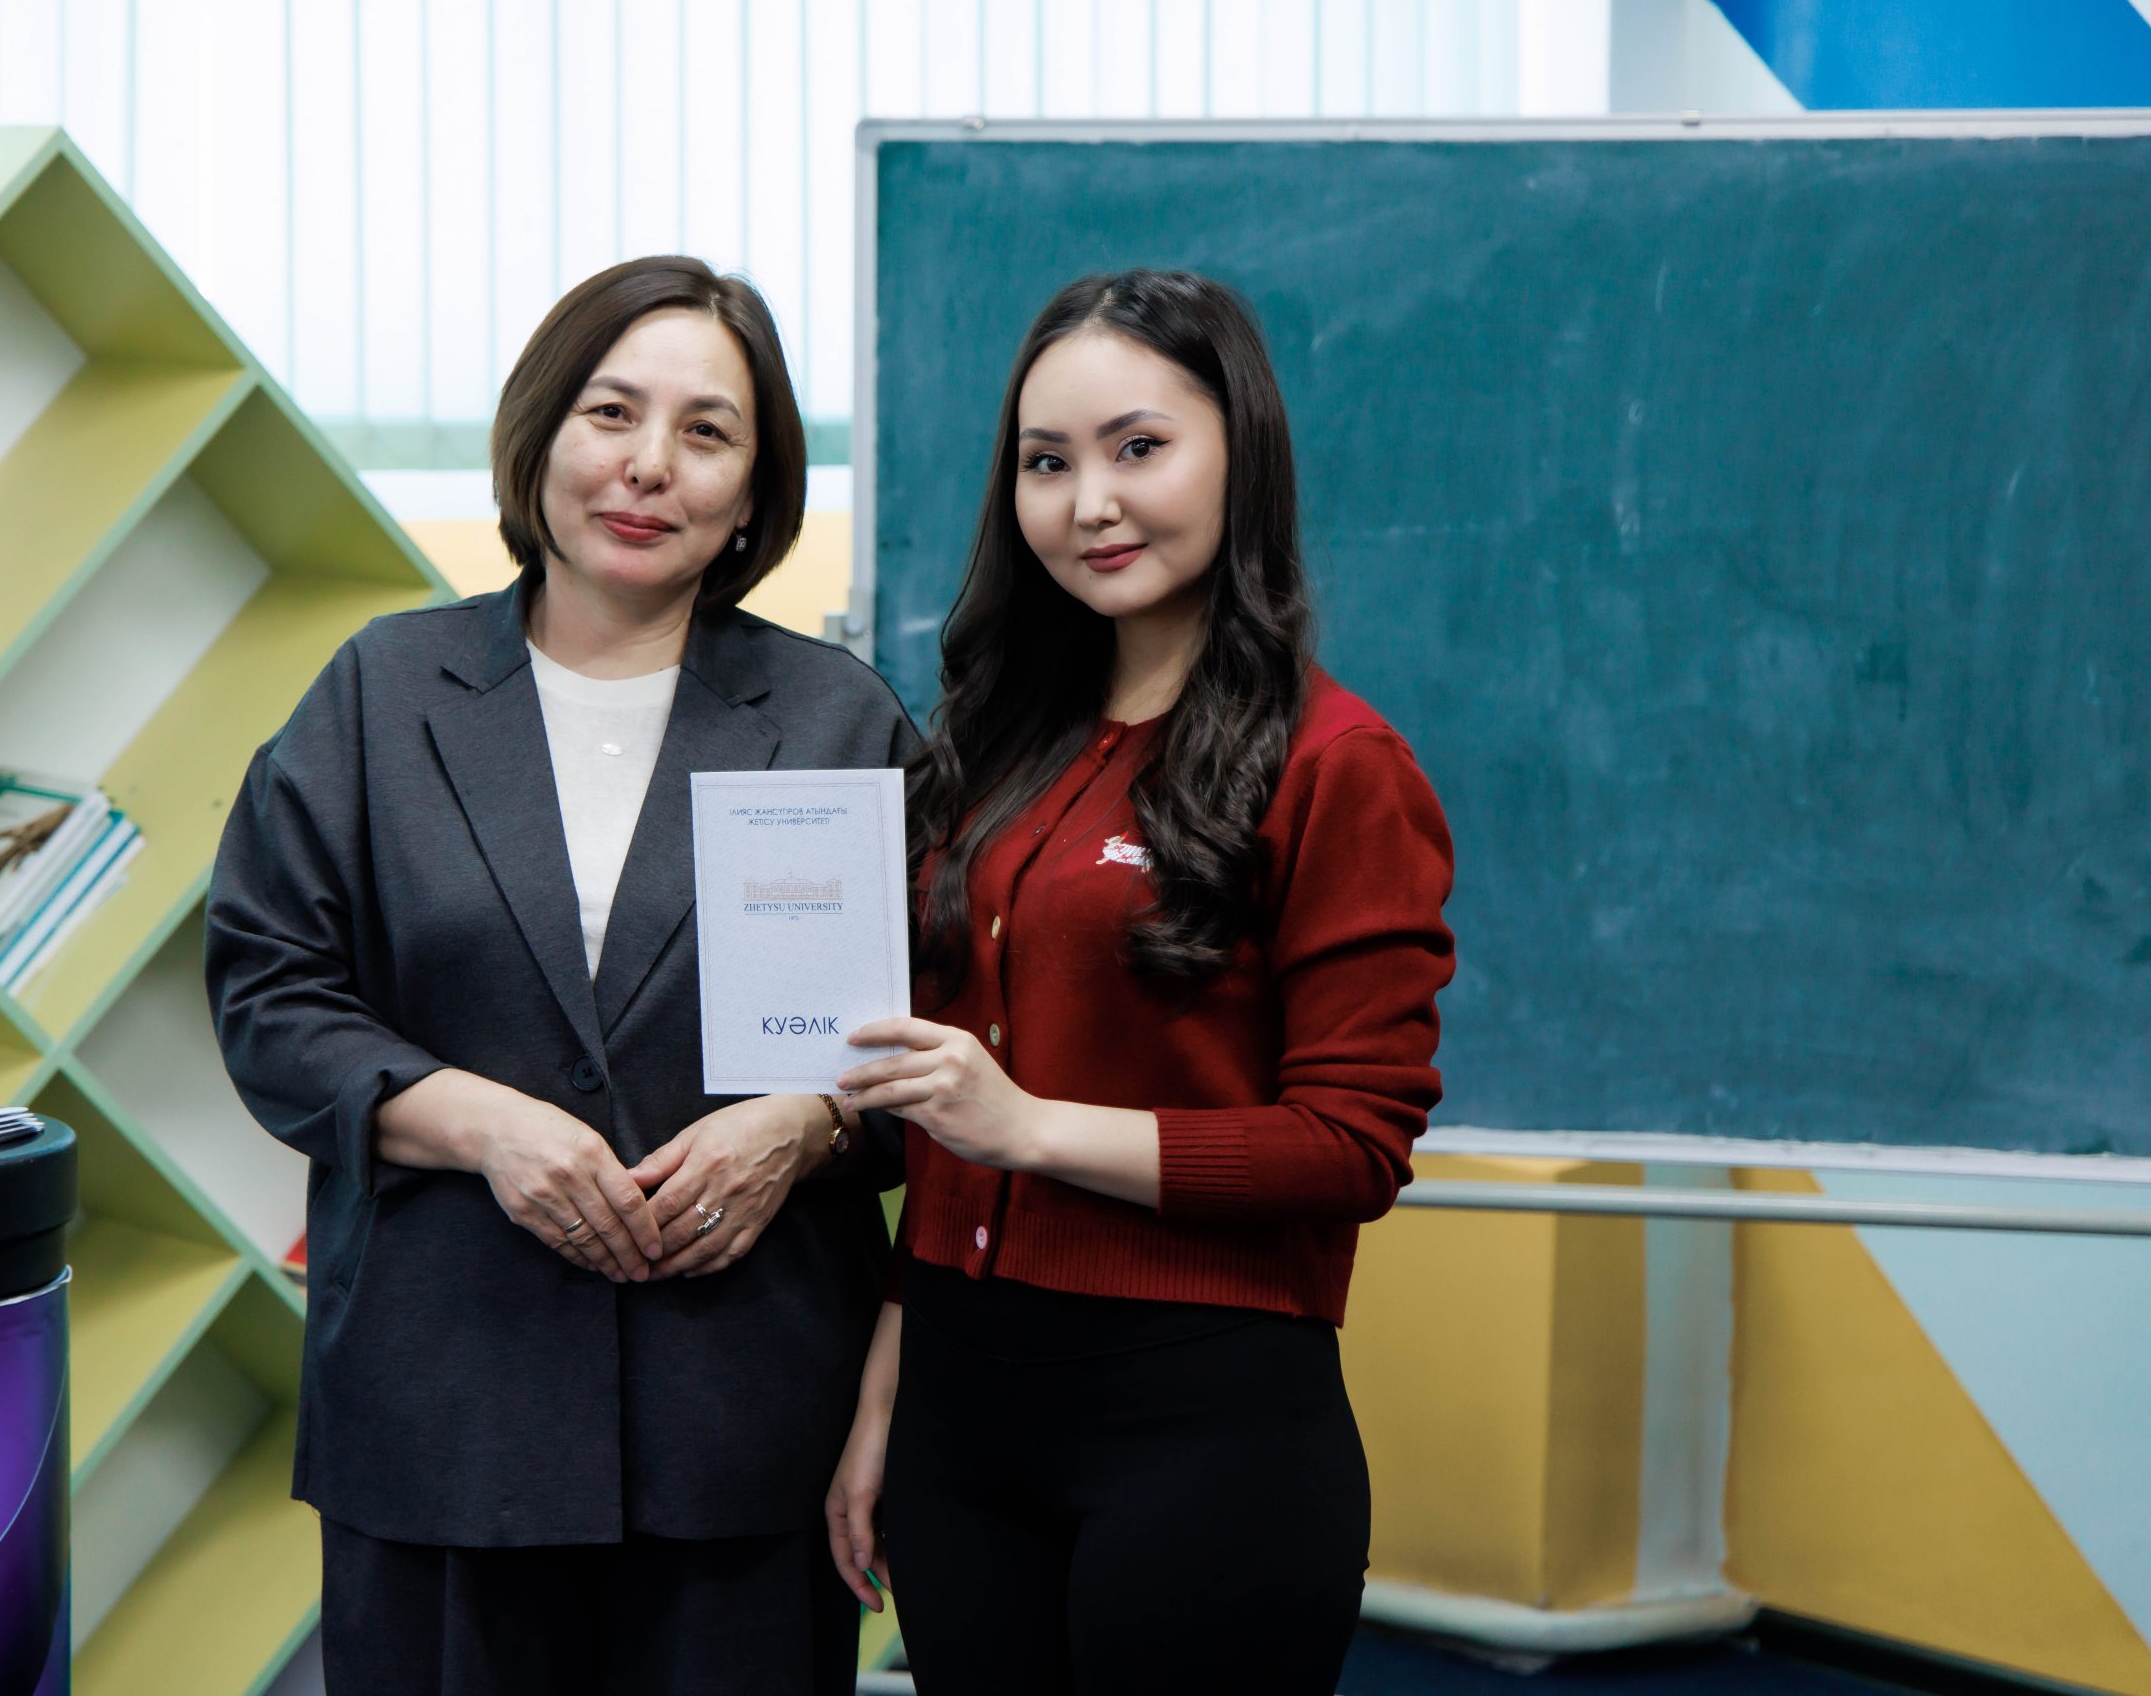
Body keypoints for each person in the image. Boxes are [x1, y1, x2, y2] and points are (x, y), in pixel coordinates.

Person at [207, 256, 914, 1696]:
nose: (649, 466)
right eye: (612, 412)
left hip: (745, 1417)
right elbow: (270, 997)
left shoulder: (838, 719)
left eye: (707, 432)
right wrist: (481, 1124)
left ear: (754, 490)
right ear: (541, 435)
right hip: (444, 1407)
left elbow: (937, 1047)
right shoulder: (381, 692)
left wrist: (810, 1124)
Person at [822, 269, 1456, 1695]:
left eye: (1139, 448)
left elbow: (1353, 1145)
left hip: (1201, 1424)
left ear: (1242, 453)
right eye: (1047, 463)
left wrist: (1032, 1127)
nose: (1089, 504)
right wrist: (886, 1390)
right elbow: (943, 1133)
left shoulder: (1339, 765)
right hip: (958, 1417)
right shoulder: (995, 752)